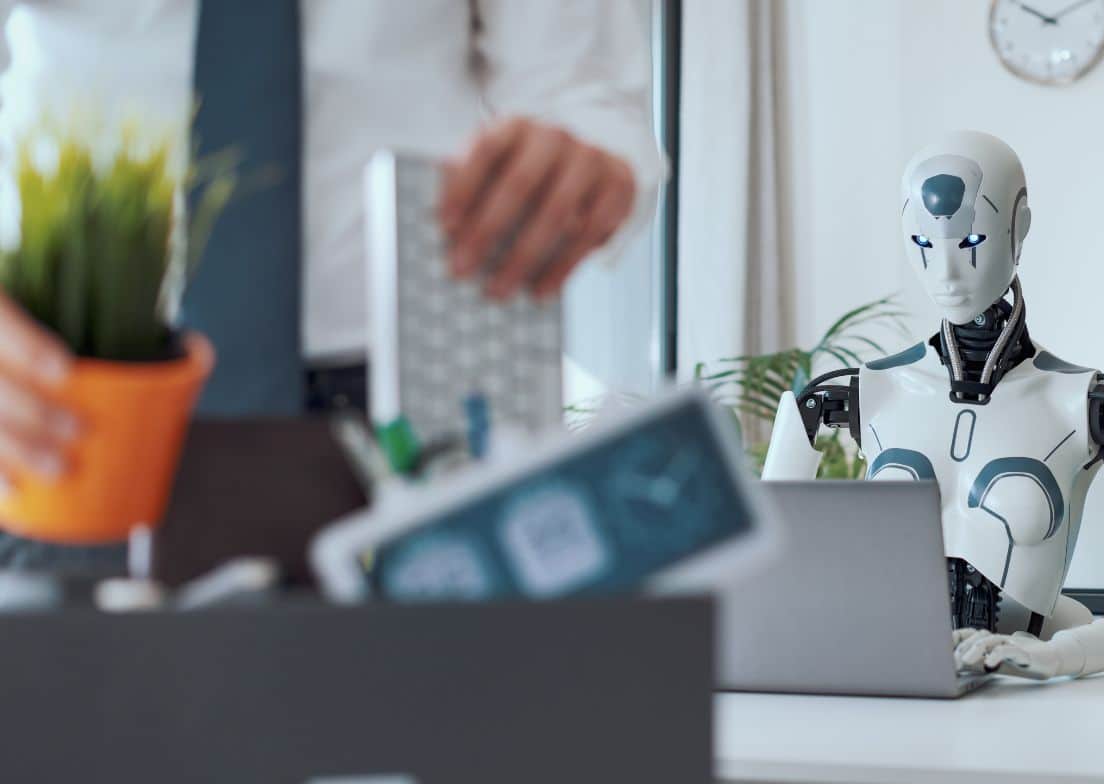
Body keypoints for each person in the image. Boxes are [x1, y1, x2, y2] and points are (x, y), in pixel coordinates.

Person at [0, 2, 660, 572]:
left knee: (431, 711)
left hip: (414, 401)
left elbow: (582, 92)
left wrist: (586, 167)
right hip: (65, 404)